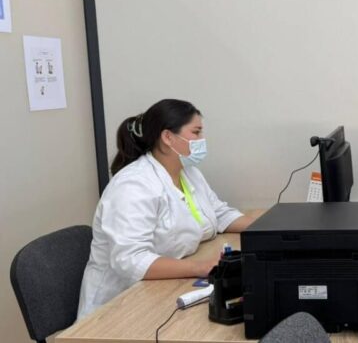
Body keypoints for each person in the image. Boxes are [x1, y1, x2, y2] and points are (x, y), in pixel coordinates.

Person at [78, 99, 255, 318]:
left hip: (162, 290)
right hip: (117, 307)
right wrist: (200, 267)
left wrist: (269, 228)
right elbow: (131, 260)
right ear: (168, 137)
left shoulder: (188, 173)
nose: (202, 139)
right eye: (196, 132)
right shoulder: (133, 185)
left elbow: (218, 214)